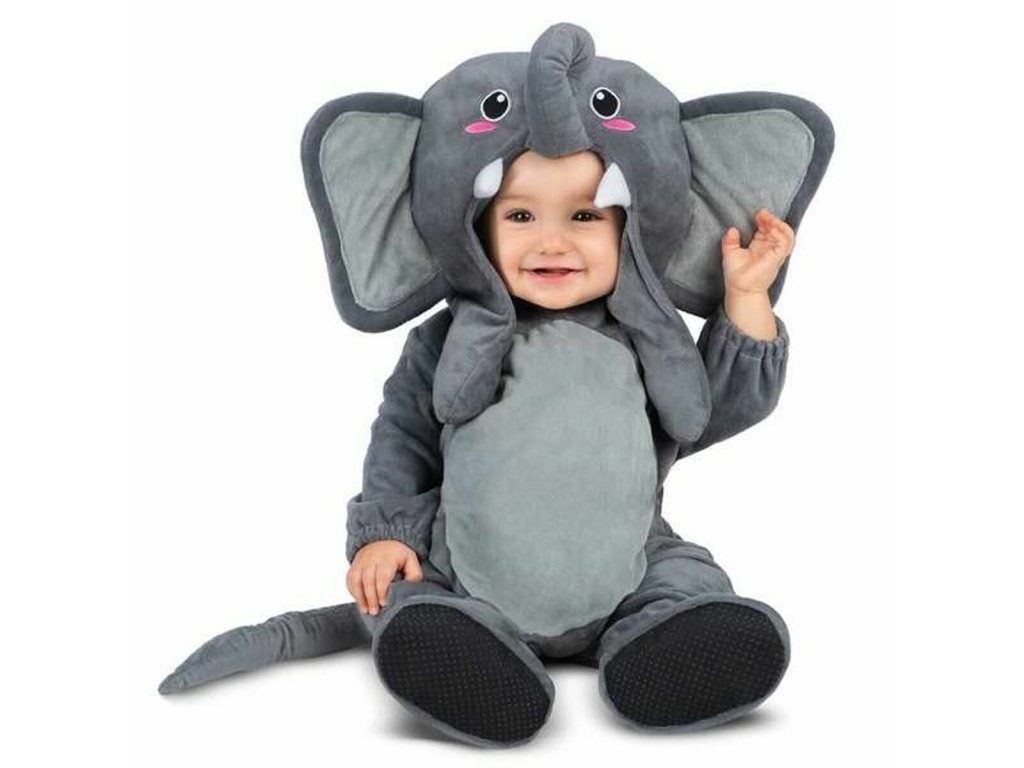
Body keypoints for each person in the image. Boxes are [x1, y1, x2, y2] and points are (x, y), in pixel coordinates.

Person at [341, 147, 796, 745]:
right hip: (464, 566)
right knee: (405, 593)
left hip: (630, 560)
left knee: (685, 578)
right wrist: (385, 535)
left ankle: (666, 635)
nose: (551, 242)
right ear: (478, 230)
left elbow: (717, 406)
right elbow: (403, 437)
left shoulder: (647, 339)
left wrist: (746, 295)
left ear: (629, 232)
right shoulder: (447, 341)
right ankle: (460, 647)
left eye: (584, 216)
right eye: (520, 216)